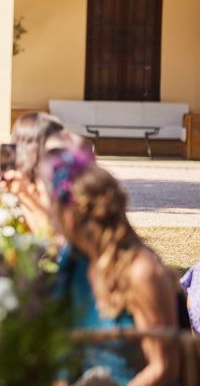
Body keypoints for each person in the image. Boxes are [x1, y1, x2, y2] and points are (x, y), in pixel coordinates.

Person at [40, 148, 180, 386]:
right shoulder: (76, 262)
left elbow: (164, 367)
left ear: (71, 216)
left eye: (53, 206)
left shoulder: (140, 272)